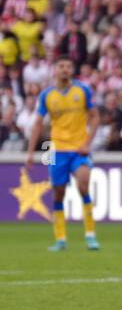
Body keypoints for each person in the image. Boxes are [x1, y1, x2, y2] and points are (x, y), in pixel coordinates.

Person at [25, 56, 100, 251]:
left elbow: (95, 117)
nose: (65, 69)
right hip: (57, 150)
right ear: (55, 70)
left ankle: (90, 235)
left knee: (83, 184)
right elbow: (38, 124)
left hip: (79, 150)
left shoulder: (82, 90)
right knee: (58, 194)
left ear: (72, 70)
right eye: (61, 66)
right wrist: (30, 152)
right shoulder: (47, 95)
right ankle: (60, 239)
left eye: (68, 66)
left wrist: (87, 142)